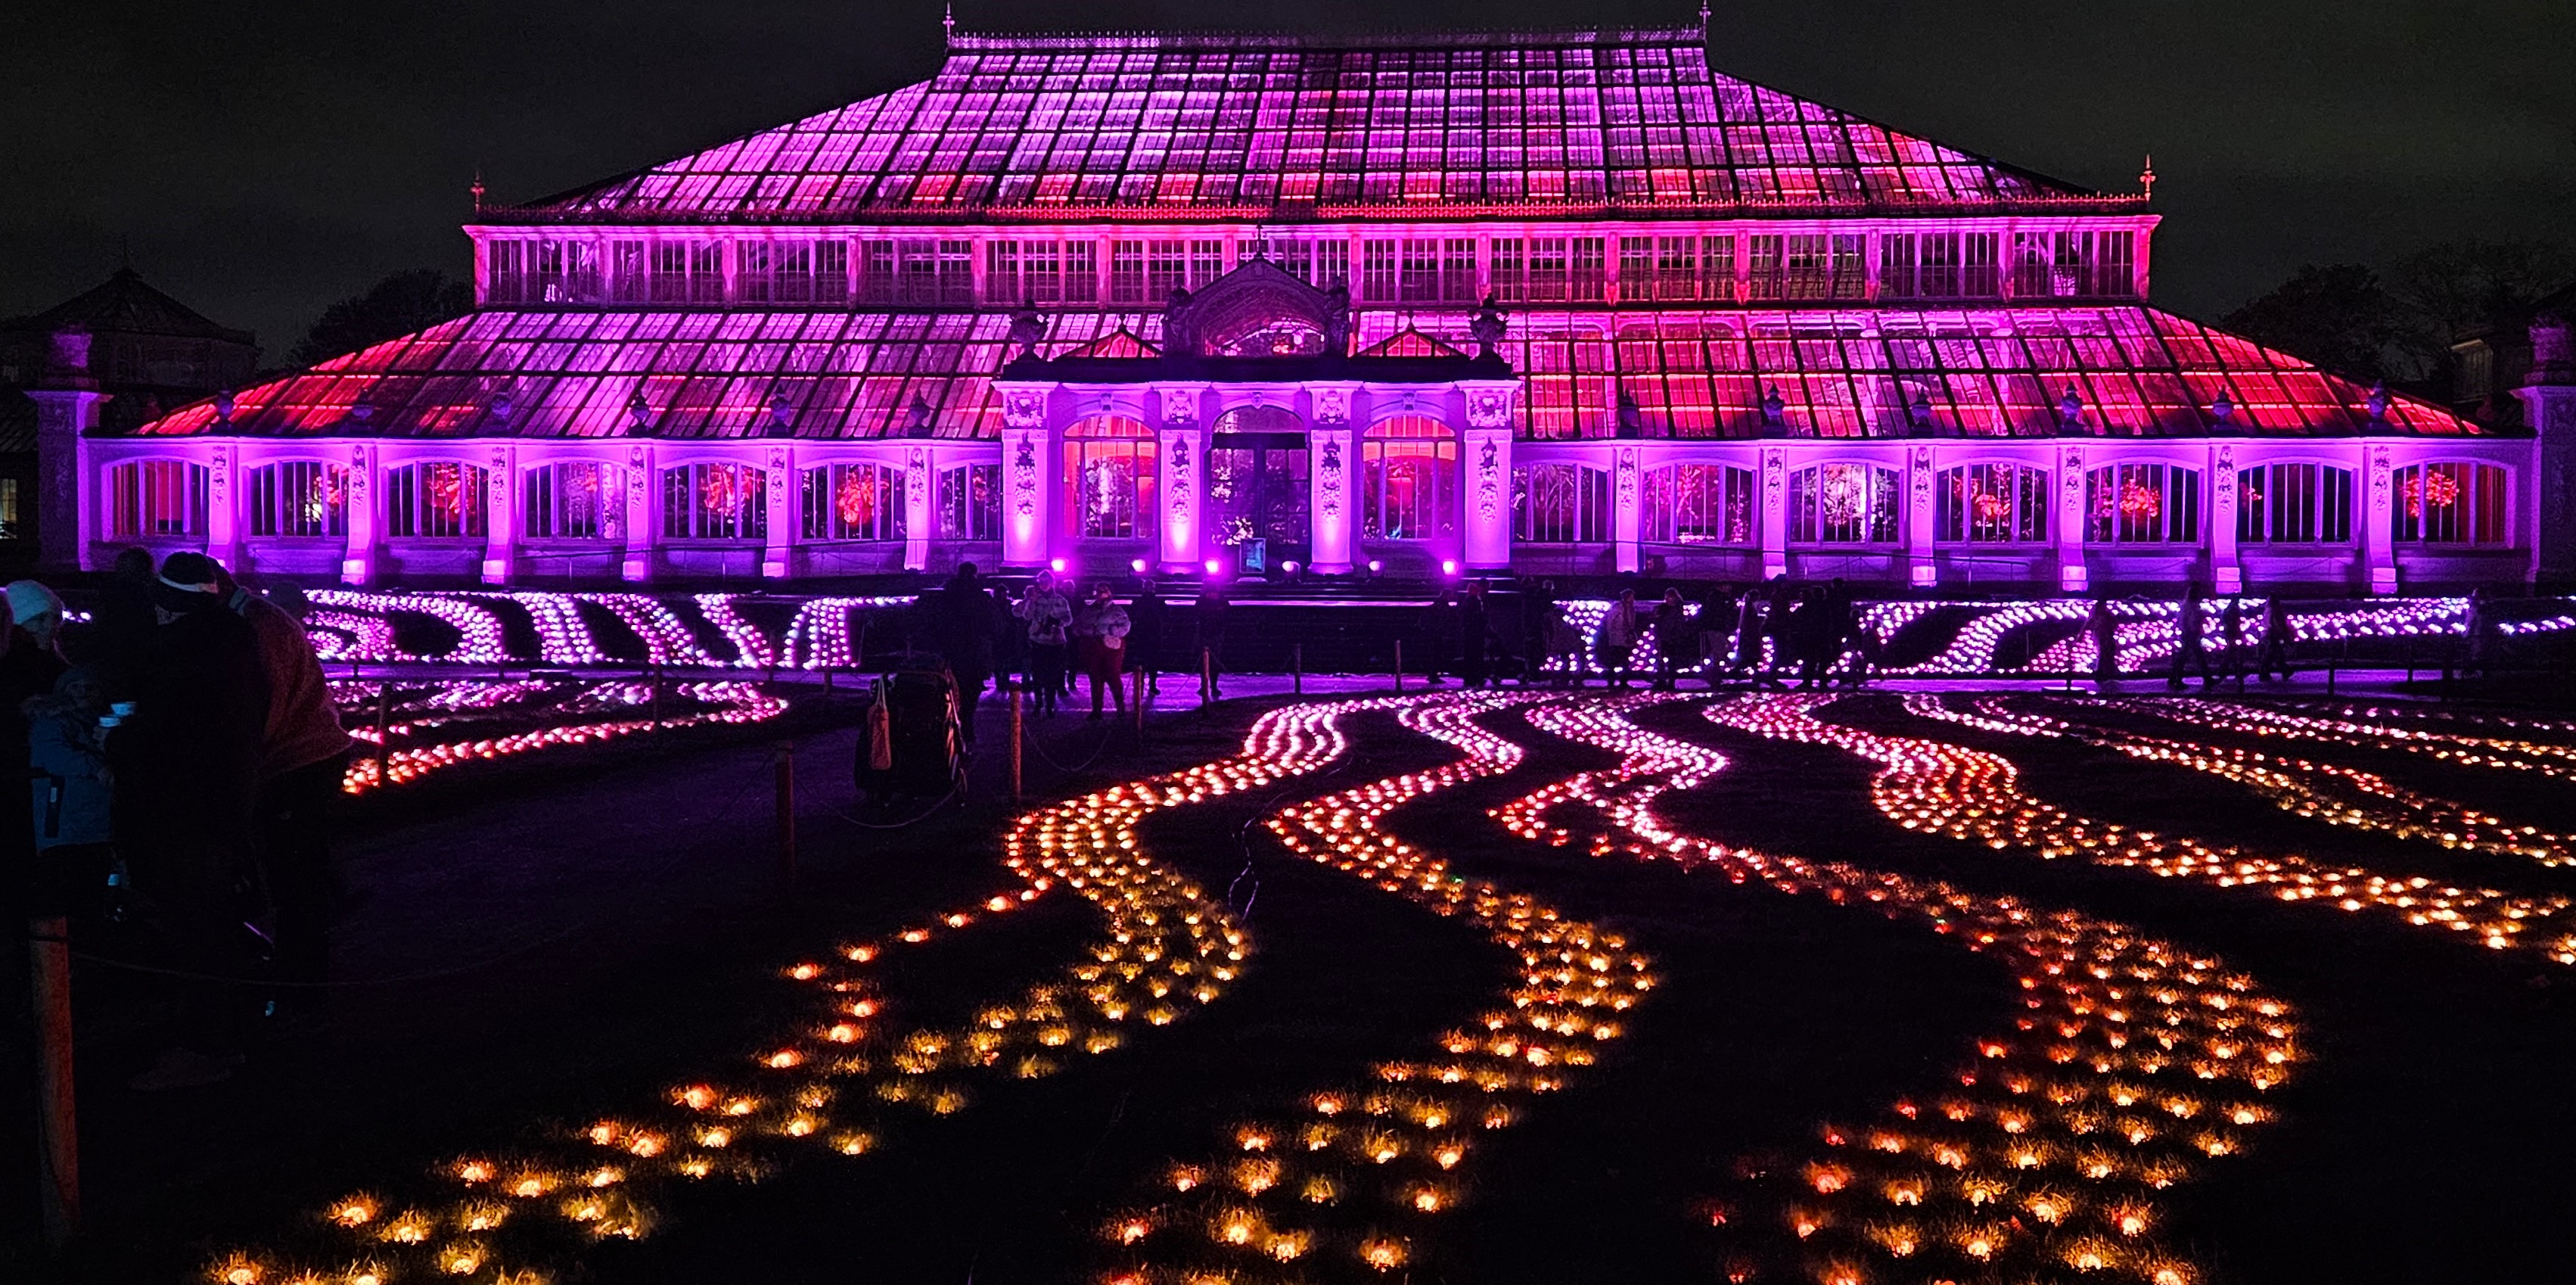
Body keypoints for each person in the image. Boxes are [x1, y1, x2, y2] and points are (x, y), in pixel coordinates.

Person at [115, 552, 269, 1090]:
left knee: (195, 927)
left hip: (182, 811)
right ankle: (227, 1037)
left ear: (166, 607)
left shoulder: (183, 658)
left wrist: (117, 740)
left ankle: (205, 1046)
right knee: (214, 923)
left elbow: (167, 737)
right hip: (224, 804)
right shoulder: (237, 644)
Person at [224, 578, 356, 995]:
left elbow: (271, 703)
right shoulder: (260, 621)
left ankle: (300, 982)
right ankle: (301, 957)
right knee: (299, 866)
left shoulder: (262, 626)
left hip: (298, 761)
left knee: (295, 875)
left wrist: (248, 760)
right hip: (305, 756)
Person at [1071, 583, 1133, 720]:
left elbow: (1125, 627)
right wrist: (1086, 632)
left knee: (1113, 677)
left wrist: (1107, 631)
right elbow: (1077, 626)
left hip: (1112, 649)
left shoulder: (1117, 611)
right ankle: (1097, 710)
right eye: (1099, 591)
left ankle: (1120, 708)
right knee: (1095, 679)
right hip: (1092, 648)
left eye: (1104, 591)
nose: (1101, 594)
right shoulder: (1088, 611)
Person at [1016, 570, 1072, 717]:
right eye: (1041, 582)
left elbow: (1068, 619)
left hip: (1056, 642)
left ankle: (1050, 706)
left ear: (1052, 583)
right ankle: (1038, 703)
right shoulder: (1035, 599)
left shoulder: (1060, 600)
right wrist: (1032, 601)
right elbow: (1027, 617)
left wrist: (1058, 622)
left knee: (1052, 676)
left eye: (1046, 581)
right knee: (1038, 675)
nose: (1043, 585)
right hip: (1038, 640)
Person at [2167, 582, 2214, 691]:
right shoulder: (2191, 607)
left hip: (2188, 634)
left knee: (2185, 658)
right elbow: (2191, 621)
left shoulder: (2186, 606)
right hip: (2190, 634)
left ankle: (2174, 679)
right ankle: (2206, 678)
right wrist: (2194, 631)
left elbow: (2184, 621)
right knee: (2194, 657)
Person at [1127, 580, 1167, 699]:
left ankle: (1145, 685)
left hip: (1145, 635)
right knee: (1151, 662)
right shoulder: (1158, 602)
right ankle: (1150, 685)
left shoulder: (1139, 602)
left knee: (1145, 662)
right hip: (1151, 635)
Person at [1651, 589, 1694, 691]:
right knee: (1662, 660)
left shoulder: (1677, 609)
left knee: (1671, 661)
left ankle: (1669, 682)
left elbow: (1679, 624)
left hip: (1672, 637)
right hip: (1664, 637)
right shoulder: (1663, 608)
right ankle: (1662, 681)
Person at [1599, 590, 1640, 689]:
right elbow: (1610, 622)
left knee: (1625, 661)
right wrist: (1611, 635)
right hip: (1616, 638)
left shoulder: (1631, 609)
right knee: (1614, 661)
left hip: (1626, 638)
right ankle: (1611, 681)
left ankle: (1623, 681)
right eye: (1631, 596)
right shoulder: (1617, 608)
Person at [1195, 587, 1229, 702]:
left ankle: (1206, 686)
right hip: (1213, 634)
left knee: (1205, 663)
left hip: (1206, 634)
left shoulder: (1202, 599)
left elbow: (1196, 613)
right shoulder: (1221, 599)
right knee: (1212, 663)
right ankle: (1212, 687)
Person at [1459, 581, 1493, 690]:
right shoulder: (1475, 601)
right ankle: (1476, 678)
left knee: (1469, 656)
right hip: (1475, 633)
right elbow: (1478, 617)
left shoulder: (1467, 601)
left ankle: (1469, 678)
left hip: (1469, 633)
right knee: (1476, 656)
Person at [1544, 602, 1587, 688]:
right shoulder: (1557, 623)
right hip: (1563, 644)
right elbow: (1561, 633)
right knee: (1566, 661)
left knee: (1565, 661)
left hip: (1564, 644)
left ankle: (1565, 678)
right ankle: (1567, 678)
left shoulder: (1559, 623)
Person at [2259, 596, 2296, 682]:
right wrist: (2284, 633)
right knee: (2273, 654)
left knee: (2273, 654)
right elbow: (2277, 623)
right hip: (2273, 635)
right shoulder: (2275, 611)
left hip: (2267, 634)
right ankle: (2284, 670)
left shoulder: (2267, 611)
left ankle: (2281, 671)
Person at [2090, 594, 2120, 692]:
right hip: (2102, 636)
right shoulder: (2101, 614)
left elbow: (2114, 624)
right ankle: (2103, 673)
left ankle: (2105, 673)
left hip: (2105, 635)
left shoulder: (2102, 614)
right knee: (2104, 654)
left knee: (2106, 654)